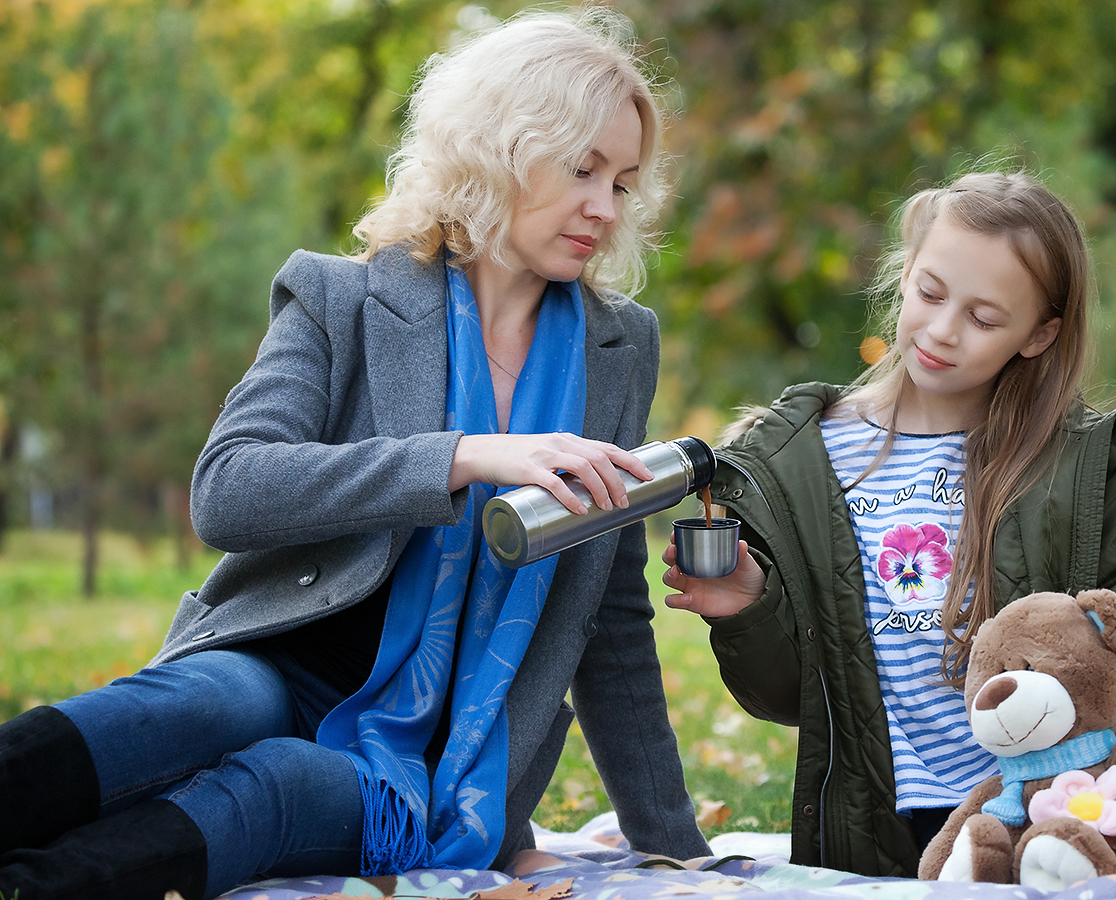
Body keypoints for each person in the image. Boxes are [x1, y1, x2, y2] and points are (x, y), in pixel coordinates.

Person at [0, 10, 711, 900]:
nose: (607, 209)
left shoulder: (621, 347)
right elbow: (227, 490)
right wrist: (458, 458)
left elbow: (604, 611)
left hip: (442, 760)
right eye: (582, 170)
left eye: (624, 181)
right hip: (276, 661)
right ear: (499, 149)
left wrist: (678, 851)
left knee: (280, 788)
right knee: (220, 704)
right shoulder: (342, 297)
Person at [662, 170, 1116, 881]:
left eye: (984, 319)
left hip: (1065, 810)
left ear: (1038, 333)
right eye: (929, 293)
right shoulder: (801, 462)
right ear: (905, 275)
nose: (941, 330)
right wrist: (750, 608)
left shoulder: (1082, 463)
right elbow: (788, 697)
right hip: (890, 830)